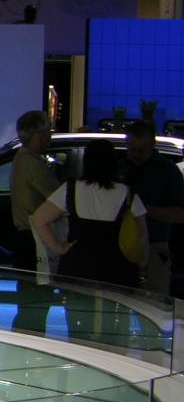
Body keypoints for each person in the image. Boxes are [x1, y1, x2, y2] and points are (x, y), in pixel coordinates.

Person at [32, 138, 146, 345]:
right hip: (117, 268)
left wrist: (59, 248)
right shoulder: (126, 193)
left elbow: (39, 220)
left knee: (78, 327)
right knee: (116, 329)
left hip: (78, 265)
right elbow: (142, 236)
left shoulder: (71, 189)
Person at [9, 110, 61, 333]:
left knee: (29, 300)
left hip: (25, 237)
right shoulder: (33, 163)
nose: (50, 136)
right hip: (34, 240)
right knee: (37, 302)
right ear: (37, 134)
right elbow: (58, 197)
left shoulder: (21, 158)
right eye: (47, 131)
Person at [122, 120, 184, 298]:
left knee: (155, 305)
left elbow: (180, 214)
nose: (136, 154)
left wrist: (143, 210)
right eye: (132, 147)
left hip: (154, 246)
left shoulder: (167, 171)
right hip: (122, 247)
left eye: (142, 149)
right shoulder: (121, 167)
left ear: (152, 144)